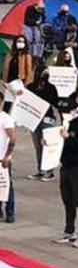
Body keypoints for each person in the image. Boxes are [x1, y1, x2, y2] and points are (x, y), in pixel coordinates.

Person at [55, 95, 78, 248]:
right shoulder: (66, 124)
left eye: (66, 111)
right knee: (67, 199)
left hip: (77, 166)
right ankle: (69, 229)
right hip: (66, 165)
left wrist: (68, 138)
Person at [0, 93, 15, 224]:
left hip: (3, 159)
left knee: (7, 185)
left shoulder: (6, 119)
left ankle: (10, 211)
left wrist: (7, 156)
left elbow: (13, 139)